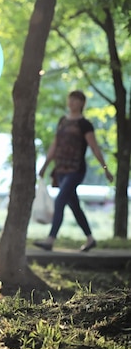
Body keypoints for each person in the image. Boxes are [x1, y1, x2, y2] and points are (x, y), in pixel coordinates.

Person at [34, 90, 114, 252]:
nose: (72, 102)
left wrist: (105, 168)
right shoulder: (62, 121)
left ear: (82, 103)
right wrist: (45, 165)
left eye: (76, 100)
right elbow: (55, 145)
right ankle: (90, 239)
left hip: (76, 170)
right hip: (60, 170)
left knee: (60, 200)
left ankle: (50, 239)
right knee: (74, 206)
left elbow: (94, 147)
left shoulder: (85, 124)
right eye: (70, 99)